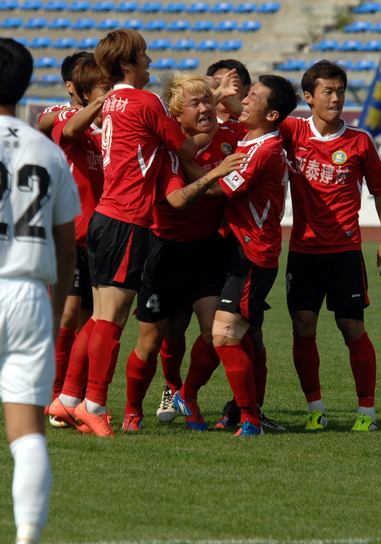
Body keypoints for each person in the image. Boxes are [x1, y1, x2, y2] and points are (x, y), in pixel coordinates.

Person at [72, 29, 204, 437]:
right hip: (127, 220)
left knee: (98, 318)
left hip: (105, 217)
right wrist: (216, 122)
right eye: (143, 54)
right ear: (127, 63)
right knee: (110, 321)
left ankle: (69, 398)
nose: (150, 60)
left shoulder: (110, 101)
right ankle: (94, 405)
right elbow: (185, 148)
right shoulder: (146, 101)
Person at [123, 74, 246, 431]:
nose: (206, 108)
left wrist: (229, 99)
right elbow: (177, 199)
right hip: (164, 252)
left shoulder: (229, 135)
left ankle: (187, 396)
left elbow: (261, 128)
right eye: (196, 103)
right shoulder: (166, 148)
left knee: (213, 333)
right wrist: (215, 175)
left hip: (207, 250)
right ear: (177, 115)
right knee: (155, 339)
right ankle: (134, 408)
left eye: (208, 100)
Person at [178, 75, 298, 436]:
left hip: (253, 253)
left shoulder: (264, 150)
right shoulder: (252, 138)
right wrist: (216, 94)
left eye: (253, 97)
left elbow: (216, 189)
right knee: (229, 334)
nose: (244, 101)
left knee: (226, 334)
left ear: (272, 114)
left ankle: (243, 415)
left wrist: (180, 158)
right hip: (233, 247)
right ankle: (224, 408)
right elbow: (229, 111)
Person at [279, 60, 381, 431]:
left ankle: (367, 412)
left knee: (351, 326)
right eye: (327, 91)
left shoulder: (359, 140)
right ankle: (315, 409)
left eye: (340, 91)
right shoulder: (292, 131)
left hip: (344, 252)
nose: (336, 98)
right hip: (302, 251)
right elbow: (255, 121)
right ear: (309, 97)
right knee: (302, 326)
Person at [0, 38, 79, 544]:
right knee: (27, 434)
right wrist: (53, 307)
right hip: (29, 291)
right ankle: (28, 534)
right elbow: (66, 245)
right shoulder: (45, 150)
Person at [47, 57, 110, 432]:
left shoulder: (108, 130)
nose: (107, 91)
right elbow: (64, 127)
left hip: (100, 238)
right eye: (101, 85)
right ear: (76, 88)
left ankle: (79, 398)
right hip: (69, 237)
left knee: (90, 321)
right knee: (68, 315)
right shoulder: (63, 116)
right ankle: (54, 394)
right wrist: (99, 103)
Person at [37, 51, 92, 136]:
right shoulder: (56, 110)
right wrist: (73, 110)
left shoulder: (107, 109)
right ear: (69, 86)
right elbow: (42, 123)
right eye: (84, 79)